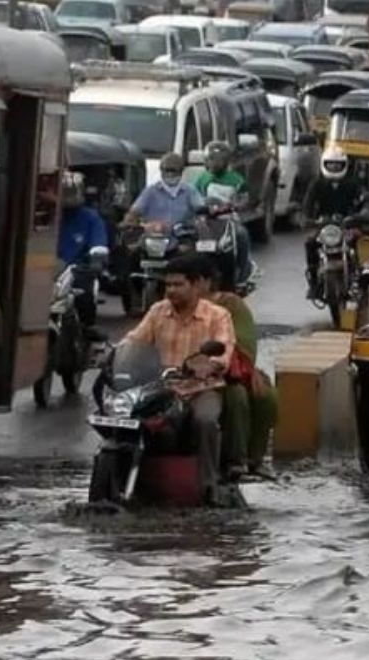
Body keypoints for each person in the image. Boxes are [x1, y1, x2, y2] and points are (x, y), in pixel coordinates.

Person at [122, 252, 237, 505]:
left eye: (177, 285)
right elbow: (134, 341)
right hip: (160, 389)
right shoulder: (157, 311)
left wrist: (208, 366)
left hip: (201, 388)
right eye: (167, 285)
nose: (171, 291)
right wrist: (112, 356)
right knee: (125, 419)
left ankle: (209, 487)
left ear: (196, 285)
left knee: (205, 420)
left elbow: (224, 350)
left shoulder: (218, 315)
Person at [194, 256, 279, 478]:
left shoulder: (229, 305)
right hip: (183, 374)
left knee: (256, 395)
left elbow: (243, 343)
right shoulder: (169, 307)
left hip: (226, 371)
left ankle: (248, 460)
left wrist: (220, 364)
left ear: (206, 281)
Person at [302, 146, 369, 300]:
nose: (334, 168)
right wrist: (306, 219)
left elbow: (364, 199)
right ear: (324, 164)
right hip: (324, 227)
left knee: (361, 243)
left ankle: (363, 280)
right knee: (310, 243)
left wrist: (363, 212)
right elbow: (307, 204)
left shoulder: (353, 183)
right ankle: (314, 283)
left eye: (337, 165)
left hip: (348, 225)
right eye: (330, 164)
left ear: (344, 165)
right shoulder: (317, 184)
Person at [193, 140, 254, 287]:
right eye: (211, 159)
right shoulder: (202, 179)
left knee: (241, 235)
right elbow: (194, 197)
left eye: (219, 160)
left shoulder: (236, 179)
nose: (215, 163)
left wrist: (234, 206)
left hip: (228, 219)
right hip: (206, 220)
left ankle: (242, 271)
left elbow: (245, 199)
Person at [57, 172, 108, 337]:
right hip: (47, 269)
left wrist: (97, 259)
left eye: (72, 192)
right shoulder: (45, 214)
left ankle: (86, 327)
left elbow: (98, 242)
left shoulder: (90, 218)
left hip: (76, 270)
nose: (68, 196)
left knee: (84, 292)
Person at [121, 152, 206, 230]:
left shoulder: (190, 191)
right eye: (167, 170)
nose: (170, 174)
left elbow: (201, 208)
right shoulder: (151, 191)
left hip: (182, 237)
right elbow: (135, 211)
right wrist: (129, 221)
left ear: (181, 171)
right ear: (161, 171)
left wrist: (202, 218)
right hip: (155, 237)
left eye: (173, 171)